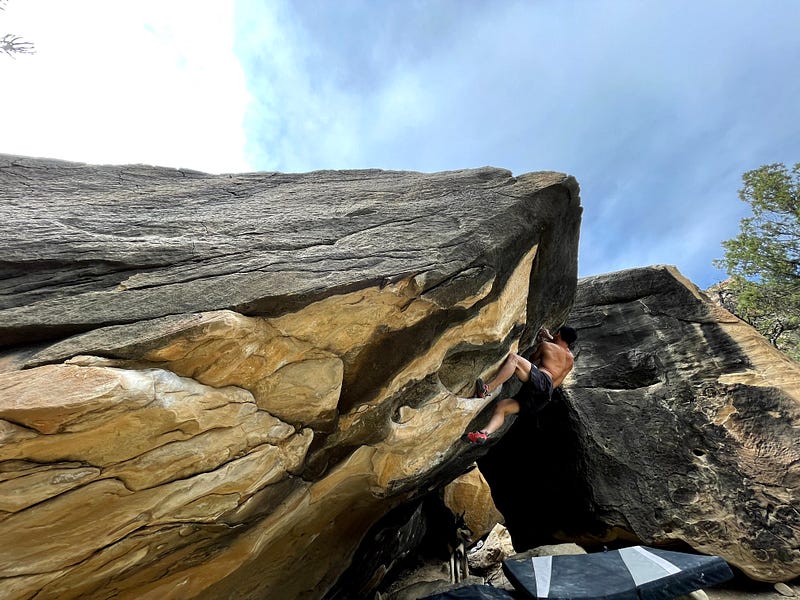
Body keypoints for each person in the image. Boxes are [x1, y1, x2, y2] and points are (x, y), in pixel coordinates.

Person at [466, 325, 577, 444]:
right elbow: (559, 350)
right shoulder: (570, 360)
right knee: (502, 407)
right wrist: (549, 337)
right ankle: (484, 433)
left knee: (514, 359)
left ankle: (487, 389)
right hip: (543, 398)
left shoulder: (546, 346)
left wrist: (543, 340)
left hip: (541, 380)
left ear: (558, 333)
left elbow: (532, 360)